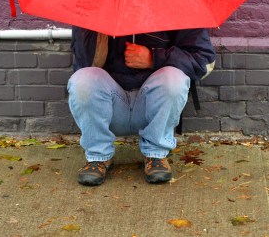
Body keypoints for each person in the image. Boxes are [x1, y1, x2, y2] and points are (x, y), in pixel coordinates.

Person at [67, 26, 216, 186]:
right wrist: (97, 35)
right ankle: (98, 155)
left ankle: (156, 153)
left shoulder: (177, 6)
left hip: (152, 104)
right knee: (82, 80)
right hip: (111, 105)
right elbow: (83, 64)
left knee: (173, 80)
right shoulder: (95, 9)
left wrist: (154, 58)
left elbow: (204, 61)